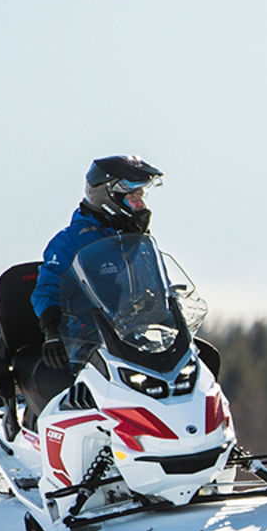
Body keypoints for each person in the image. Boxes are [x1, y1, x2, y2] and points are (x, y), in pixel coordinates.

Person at [15, 155, 163, 414]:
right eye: (134, 197)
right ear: (110, 197)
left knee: (200, 363)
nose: (141, 204)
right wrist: (51, 331)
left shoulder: (137, 242)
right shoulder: (70, 241)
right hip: (85, 345)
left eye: (141, 197)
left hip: (132, 341)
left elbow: (158, 288)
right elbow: (46, 288)